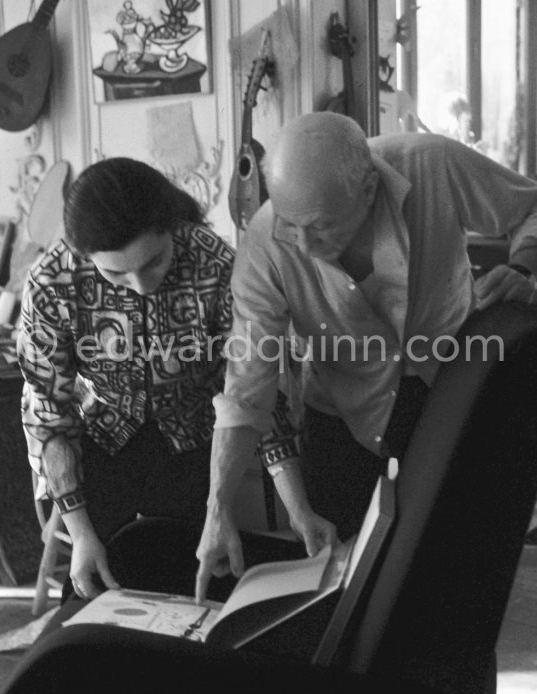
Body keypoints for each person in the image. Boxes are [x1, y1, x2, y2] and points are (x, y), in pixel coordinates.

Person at [195, 110, 537, 602]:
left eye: (321, 227)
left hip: (450, 395)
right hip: (343, 422)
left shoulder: (433, 164)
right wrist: (218, 508)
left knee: (458, 591)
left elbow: (529, 207)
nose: (306, 246)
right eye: (292, 225)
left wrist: (525, 267)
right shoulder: (266, 245)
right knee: (345, 599)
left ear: (369, 189)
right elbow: (247, 386)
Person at [17, 157, 238, 603]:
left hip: (195, 438)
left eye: (154, 262)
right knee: (94, 589)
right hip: (102, 439)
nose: (140, 285)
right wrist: (79, 533)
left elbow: (249, 387)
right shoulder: (51, 281)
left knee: (196, 588)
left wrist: (224, 505)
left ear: (172, 228)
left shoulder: (214, 263)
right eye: (116, 273)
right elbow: (50, 414)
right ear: (84, 256)